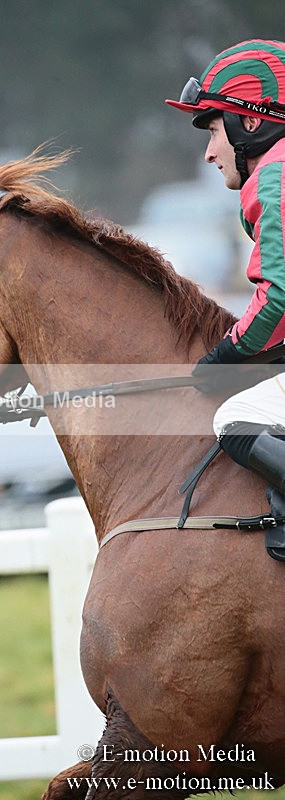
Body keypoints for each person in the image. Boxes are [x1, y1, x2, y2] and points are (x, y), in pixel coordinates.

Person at [166, 39, 285, 561]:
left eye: (213, 131)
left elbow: (279, 297)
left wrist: (225, 355)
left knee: (235, 418)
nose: (209, 153)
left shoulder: (276, 175)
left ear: (250, 123)